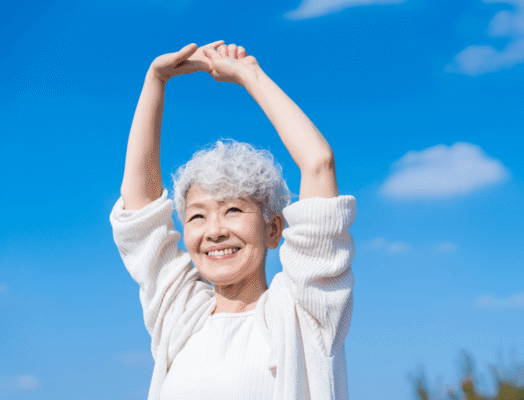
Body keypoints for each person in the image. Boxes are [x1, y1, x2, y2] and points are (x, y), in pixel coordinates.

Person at [109, 40, 357, 400]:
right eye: (197, 216)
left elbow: (318, 162)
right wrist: (156, 80)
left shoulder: (305, 311)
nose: (215, 231)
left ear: (273, 229)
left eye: (234, 210)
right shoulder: (181, 316)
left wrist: (249, 75)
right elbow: (139, 210)